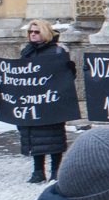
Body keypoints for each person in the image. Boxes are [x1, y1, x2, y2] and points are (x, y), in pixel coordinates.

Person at [18, 20, 76, 184]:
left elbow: (68, 77)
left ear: (45, 32)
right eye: (31, 32)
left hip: (51, 101)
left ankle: (55, 170)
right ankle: (38, 170)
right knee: (35, 136)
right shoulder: (26, 52)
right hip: (33, 101)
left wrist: (69, 68)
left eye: (36, 32)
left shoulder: (57, 51)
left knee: (54, 136)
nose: (33, 34)